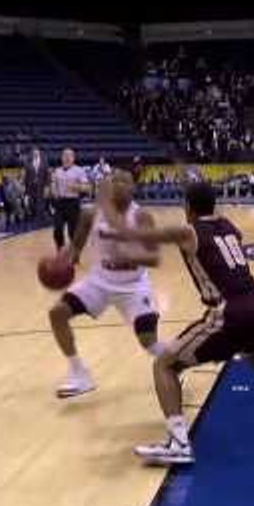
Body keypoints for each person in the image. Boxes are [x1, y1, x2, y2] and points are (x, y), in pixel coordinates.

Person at [99, 181, 254, 464]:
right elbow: (225, 239)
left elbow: (142, 234)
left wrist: (111, 218)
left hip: (230, 311)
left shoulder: (188, 231)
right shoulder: (228, 225)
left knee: (164, 364)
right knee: (252, 351)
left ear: (188, 207)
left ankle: (179, 443)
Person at [47, 169, 166, 397]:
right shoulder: (90, 214)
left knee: (148, 342)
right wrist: (62, 261)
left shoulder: (141, 217)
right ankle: (80, 375)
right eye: (115, 181)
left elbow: (154, 258)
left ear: (133, 188)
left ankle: (176, 360)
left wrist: (128, 256)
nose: (120, 185)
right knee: (57, 313)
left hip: (133, 286)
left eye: (125, 181)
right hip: (99, 282)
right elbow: (75, 249)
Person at [50, 148, 89, 250]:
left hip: (73, 203)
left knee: (73, 231)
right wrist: (53, 190)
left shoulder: (79, 171)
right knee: (57, 228)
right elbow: (53, 184)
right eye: (64, 155)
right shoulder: (57, 171)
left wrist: (76, 187)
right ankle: (60, 249)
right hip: (60, 203)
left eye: (69, 156)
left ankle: (74, 253)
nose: (67, 158)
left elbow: (87, 187)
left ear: (73, 158)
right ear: (61, 158)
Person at [22, 147, 49, 223]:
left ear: (39, 152)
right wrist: (25, 187)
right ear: (32, 153)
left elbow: (47, 175)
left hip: (41, 185)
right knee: (33, 202)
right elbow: (26, 176)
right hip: (31, 186)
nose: (35, 153)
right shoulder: (28, 162)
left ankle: (40, 217)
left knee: (41, 202)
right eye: (34, 152)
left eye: (36, 152)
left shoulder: (44, 162)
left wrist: (47, 186)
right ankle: (36, 216)